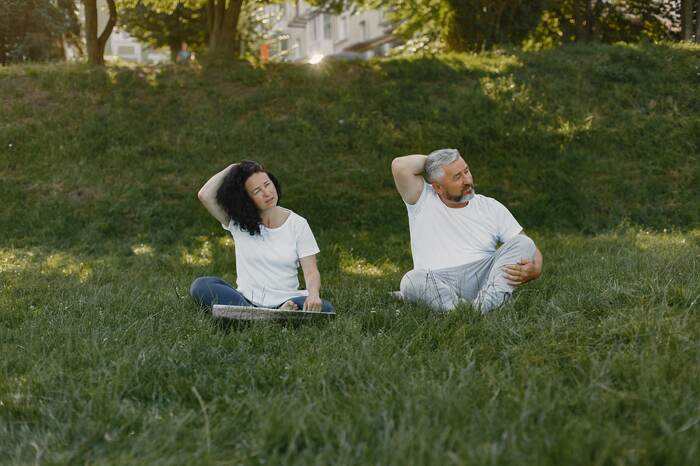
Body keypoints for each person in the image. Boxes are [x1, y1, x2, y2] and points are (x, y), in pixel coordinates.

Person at [391, 148, 543, 313]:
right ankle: (465, 311)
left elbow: (530, 249)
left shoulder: (490, 206)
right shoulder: (422, 199)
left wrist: (536, 269)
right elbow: (400, 165)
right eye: (457, 177)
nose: (467, 180)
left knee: (524, 242)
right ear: (438, 188)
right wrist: (438, 162)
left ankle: (482, 306)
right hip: (438, 280)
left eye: (466, 171)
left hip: (484, 277)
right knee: (411, 281)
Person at [190, 160, 334, 313]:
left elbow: (311, 271)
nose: (267, 193)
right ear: (247, 199)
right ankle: (266, 314)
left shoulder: (298, 224)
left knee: (325, 308)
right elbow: (204, 195)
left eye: (267, 184)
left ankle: (254, 315)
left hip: (288, 300)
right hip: (245, 299)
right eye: (257, 191)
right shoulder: (238, 223)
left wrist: (313, 295)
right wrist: (234, 168)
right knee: (201, 286)